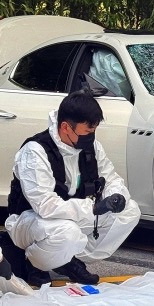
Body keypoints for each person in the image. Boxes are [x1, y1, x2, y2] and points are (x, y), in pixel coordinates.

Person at [5, 90, 141, 287]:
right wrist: (93, 209)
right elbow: (45, 206)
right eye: (87, 132)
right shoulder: (35, 152)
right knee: (67, 232)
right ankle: (35, 263)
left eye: (94, 131)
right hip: (29, 221)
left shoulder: (91, 147)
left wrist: (116, 196)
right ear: (66, 127)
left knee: (130, 211)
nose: (91, 137)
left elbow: (110, 176)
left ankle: (65, 260)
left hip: (72, 216)